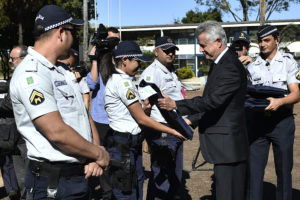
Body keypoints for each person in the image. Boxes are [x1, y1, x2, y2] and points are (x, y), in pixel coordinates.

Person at [9, 5, 109, 199]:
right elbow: (55, 131)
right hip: (53, 183)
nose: (75, 37)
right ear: (61, 33)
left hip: (78, 175)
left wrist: (93, 154)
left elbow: (83, 115)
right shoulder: (32, 74)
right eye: (73, 31)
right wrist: (98, 154)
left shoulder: (62, 70)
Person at [158, 20, 249, 200]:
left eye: (203, 45)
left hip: (228, 148)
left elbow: (212, 101)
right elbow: (219, 102)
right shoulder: (221, 62)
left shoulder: (229, 65)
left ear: (218, 42)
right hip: (226, 147)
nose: (200, 50)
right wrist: (192, 119)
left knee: (229, 194)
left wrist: (176, 104)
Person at [102, 41, 186, 200]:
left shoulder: (126, 80)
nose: (139, 65)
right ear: (125, 59)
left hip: (131, 142)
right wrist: (172, 130)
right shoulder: (122, 82)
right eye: (137, 61)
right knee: (126, 190)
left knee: (137, 183)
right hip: (122, 143)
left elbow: (139, 113)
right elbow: (140, 118)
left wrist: (147, 106)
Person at [246, 25, 300, 200]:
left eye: (267, 40)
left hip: (282, 122)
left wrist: (280, 101)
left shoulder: (288, 62)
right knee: (254, 173)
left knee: (284, 171)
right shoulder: (252, 66)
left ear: (277, 40)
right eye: (260, 41)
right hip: (258, 123)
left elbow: (296, 93)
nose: (262, 44)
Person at [139, 36, 184, 200]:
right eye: (166, 50)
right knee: (162, 177)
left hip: (175, 129)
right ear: (156, 52)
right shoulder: (151, 74)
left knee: (174, 176)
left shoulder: (171, 71)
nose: (171, 54)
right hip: (162, 132)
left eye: (173, 50)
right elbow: (146, 106)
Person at [87, 26, 120, 200]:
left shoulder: (121, 60)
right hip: (100, 118)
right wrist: (94, 59)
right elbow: (91, 85)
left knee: (119, 157)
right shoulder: (99, 61)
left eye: (117, 40)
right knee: (103, 158)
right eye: (111, 39)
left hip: (118, 118)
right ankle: (107, 194)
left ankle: (118, 191)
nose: (114, 43)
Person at [0, 45, 28, 200]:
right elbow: (7, 86)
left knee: (27, 174)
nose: (10, 60)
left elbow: (11, 104)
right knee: (19, 173)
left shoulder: (25, 76)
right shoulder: (18, 75)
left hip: (25, 135)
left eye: (13, 58)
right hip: (16, 136)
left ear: (23, 59)